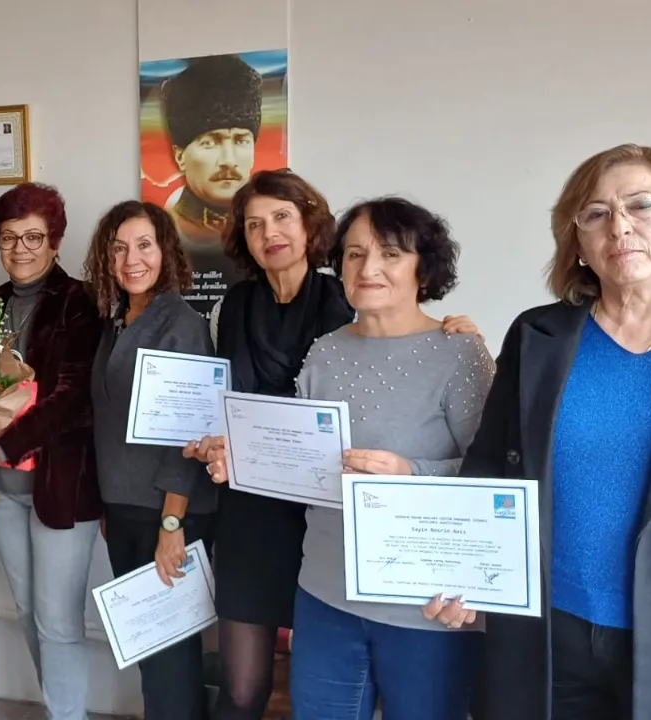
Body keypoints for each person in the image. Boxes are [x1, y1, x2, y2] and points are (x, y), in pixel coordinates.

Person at [183, 170, 481, 719]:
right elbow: (300, 448)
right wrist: (234, 454)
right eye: (356, 255)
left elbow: (494, 479)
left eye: (390, 254)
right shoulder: (321, 350)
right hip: (318, 574)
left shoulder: (457, 352)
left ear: (423, 267)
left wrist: (411, 472)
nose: (369, 269)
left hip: (415, 588)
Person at [431, 144, 651, 720]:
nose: (619, 226)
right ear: (577, 243)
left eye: (642, 205)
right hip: (548, 630)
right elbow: (489, 464)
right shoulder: (537, 336)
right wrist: (465, 572)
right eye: (595, 213)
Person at [0, 183, 102, 720]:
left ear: (55, 240)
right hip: (5, 490)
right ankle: (61, 709)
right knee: (30, 612)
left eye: (33, 237)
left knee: (58, 621)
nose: (20, 249)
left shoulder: (81, 302)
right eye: (9, 238)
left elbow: (73, 399)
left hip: (61, 488)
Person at [83, 200, 217, 719]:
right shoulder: (116, 320)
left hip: (169, 511)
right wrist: (109, 506)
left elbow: (190, 432)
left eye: (144, 246)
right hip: (125, 510)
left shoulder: (181, 324)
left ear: (166, 252)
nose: (131, 260)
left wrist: (171, 524)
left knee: (169, 655)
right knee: (149, 646)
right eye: (119, 249)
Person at [160, 54, 263, 318]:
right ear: (180, 156)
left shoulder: (270, 233)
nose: (228, 160)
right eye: (210, 142)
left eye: (240, 140)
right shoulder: (162, 231)